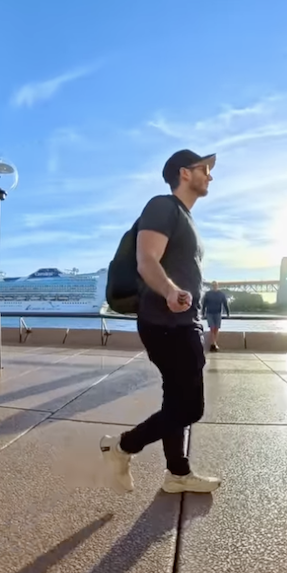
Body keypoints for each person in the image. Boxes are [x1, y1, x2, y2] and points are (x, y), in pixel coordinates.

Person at [100, 149, 222, 495]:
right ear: (184, 173)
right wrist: (170, 291)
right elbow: (146, 259)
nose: (210, 175)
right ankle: (121, 446)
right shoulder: (162, 206)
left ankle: (177, 473)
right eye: (204, 169)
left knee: (176, 402)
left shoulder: (184, 217)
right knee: (191, 407)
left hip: (179, 320)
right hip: (167, 321)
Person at [202, 282, 230, 352]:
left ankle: (213, 344)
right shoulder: (208, 294)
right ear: (211, 286)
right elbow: (204, 304)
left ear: (217, 286)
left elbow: (225, 303)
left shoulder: (221, 294)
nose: (214, 286)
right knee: (212, 328)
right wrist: (203, 312)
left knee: (216, 329)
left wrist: (228, 312)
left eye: (215, 285)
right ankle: (213, 344)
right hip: (209, 313)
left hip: (218, 313)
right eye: (213, 285)